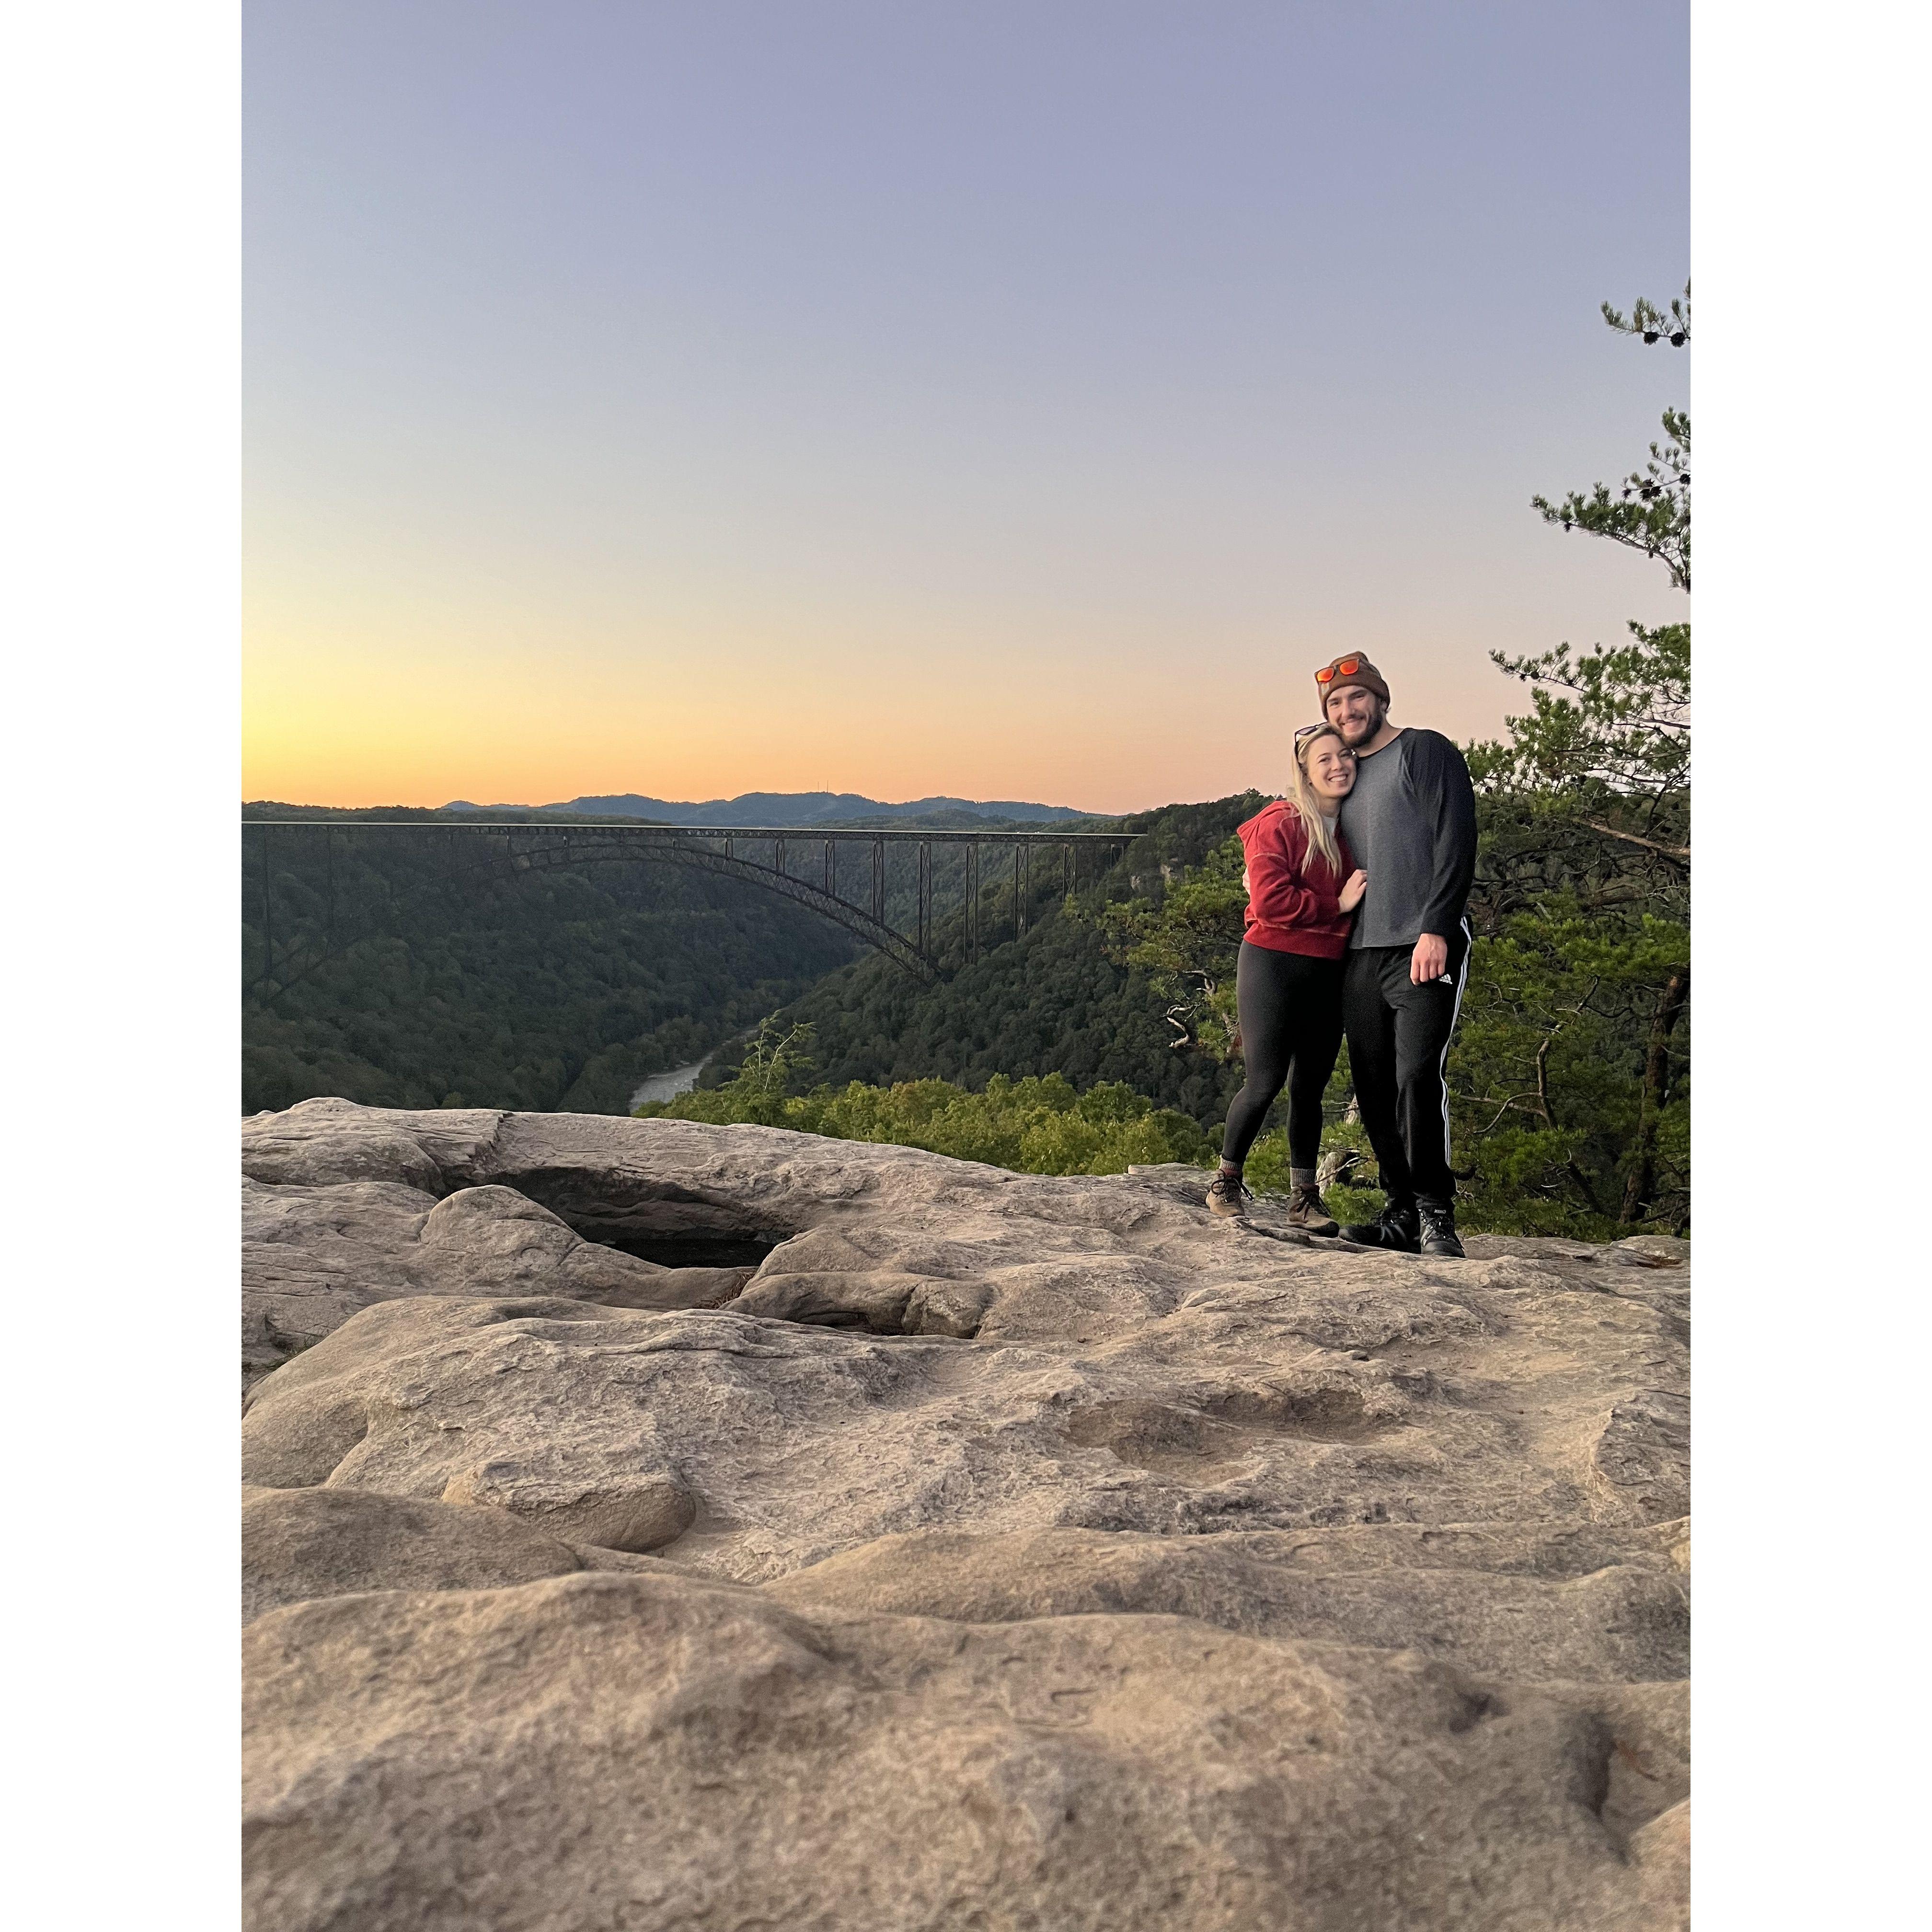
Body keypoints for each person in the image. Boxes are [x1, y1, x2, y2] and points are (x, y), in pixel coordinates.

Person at [1314, 651, 1478, 1258]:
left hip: (1421, 945)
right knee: (1375, 1085)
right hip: (1360, 953)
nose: (1348, 710)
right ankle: (1400, 1214)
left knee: (1415, 1078)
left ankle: (1437, 1215)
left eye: (1357, 698)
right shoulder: (1345, 775)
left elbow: (1456, 838)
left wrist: (1437, 927)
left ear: (1380, 699)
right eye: (1335, 704)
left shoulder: (1425, 751)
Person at [1207, 722, 1368, 1229]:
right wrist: (1336, 904)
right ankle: (1226, 1180)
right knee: (1265, 1081)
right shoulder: (1279, 822)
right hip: (1272, 964)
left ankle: (1304, 1198)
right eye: (1324, 759)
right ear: (1304, 770)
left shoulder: (1355, 829)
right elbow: (1269, 900)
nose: (1338, 765)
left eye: (1345, 755)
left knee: (1310, 1090)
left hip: (1328, 972)